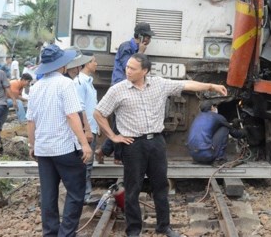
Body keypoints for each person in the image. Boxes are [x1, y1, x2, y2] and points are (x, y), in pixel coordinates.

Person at [94, 53, 227, 237]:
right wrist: (113, 136)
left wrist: (211, 86)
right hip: (133, 145)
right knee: (133, 189)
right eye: (127, 67)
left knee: (161, 186)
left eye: (132, 68)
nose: (128, 71)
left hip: (156, 142)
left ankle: (164, 227)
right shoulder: (118, 90)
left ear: (145, 71)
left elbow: (187, 85)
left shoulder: (159, 84)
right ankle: (133, 231)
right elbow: (99, 113)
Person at [26, 44, 92, 237]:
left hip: (44, 150)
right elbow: (72, 115)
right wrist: (85, 144)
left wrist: (32, 145)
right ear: (62, 65)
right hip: (64, 149)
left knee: (48, 195)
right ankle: (67, 233)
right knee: (75, 192)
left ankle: (50, 233)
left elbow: (30, 120)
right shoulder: (65, 84)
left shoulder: (36, 87)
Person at [95, 22, 155, 165]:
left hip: (129, 87)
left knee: (121, 123)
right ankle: (115, 156)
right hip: (120, 87)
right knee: (120, 123)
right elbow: (127, 67)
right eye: (147, 36)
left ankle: (106, 151)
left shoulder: (134, 49)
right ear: (141, 36)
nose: (149, 40)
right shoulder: (126, 47)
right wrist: (140, 53)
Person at [71, 52, 100, 205]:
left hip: (91, 128)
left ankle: (84, 195)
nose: (96, 64)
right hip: (86, 129)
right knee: (85, 164)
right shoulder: (80, 83)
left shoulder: (88, 82)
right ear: (87, 63)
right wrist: (87, 130)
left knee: (87, 164)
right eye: (94, 61)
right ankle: (84, 196)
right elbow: (80, 108)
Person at [187, 101, 246, 166]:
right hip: (207, 155)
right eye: (214, 106)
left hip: (194, 155)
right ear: (212, 107)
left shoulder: (197, 117)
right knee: (224, 128)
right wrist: (244, 132)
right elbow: (234, 133)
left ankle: (201, 158)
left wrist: (232, 124)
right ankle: (219, 159)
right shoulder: (217, 116)